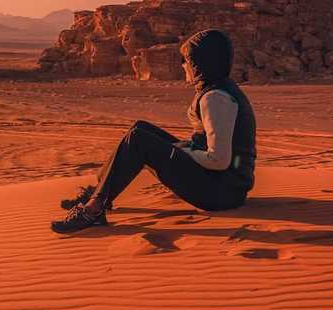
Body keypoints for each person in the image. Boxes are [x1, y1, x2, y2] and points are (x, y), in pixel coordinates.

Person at [51, 28, 256, 234]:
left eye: (187, 60)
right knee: (140, 128)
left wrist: (182, 150)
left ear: (200, 63)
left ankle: (94, 209)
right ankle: (98, 192)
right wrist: (183, 148)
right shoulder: (220, 89)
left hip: (221, 193)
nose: (184, 66)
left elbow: (219, 160)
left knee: (138, 140)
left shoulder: (215, 98)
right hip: (227, 186)